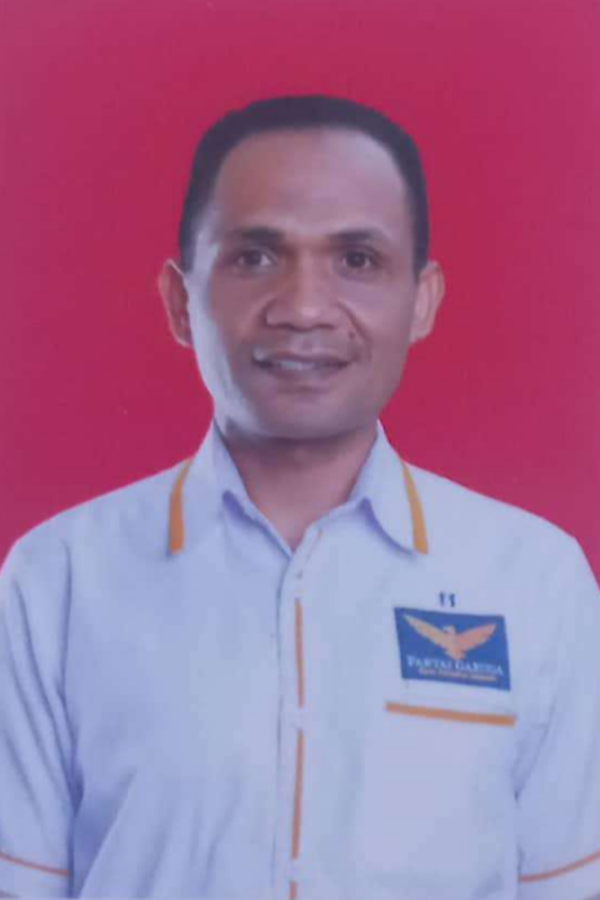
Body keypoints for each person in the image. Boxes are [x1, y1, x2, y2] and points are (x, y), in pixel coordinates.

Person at [0, 95, 599, 900]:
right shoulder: (58, 581)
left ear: (422, 300)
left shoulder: (536, 582)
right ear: (180, 301)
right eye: (255, 257)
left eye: (357, 259)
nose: (305, 308)